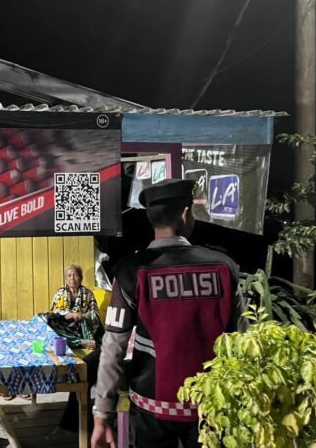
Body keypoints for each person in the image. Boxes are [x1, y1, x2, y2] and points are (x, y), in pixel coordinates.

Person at [91, 179, 248, 448]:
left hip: (152, 407)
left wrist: (102, 413)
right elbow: (245, 338)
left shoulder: (131, 271)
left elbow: (113, 345)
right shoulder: (224, 267)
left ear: (151, 219)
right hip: (212, 405)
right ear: (186, 213)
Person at [44, 264, 103, 433]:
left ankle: (80, 342)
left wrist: (81, 315)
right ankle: (79, 343)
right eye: (69, 275)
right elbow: (54, 313)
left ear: (81, 278)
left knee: (83, 322)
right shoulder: (60, 293)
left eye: (75, 275)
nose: (72, 278)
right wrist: (67, 315)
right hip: (66, 329)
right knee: (49, 321)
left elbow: (95, 315)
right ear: (66, 278)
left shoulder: (87, 294)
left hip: (82, 329)